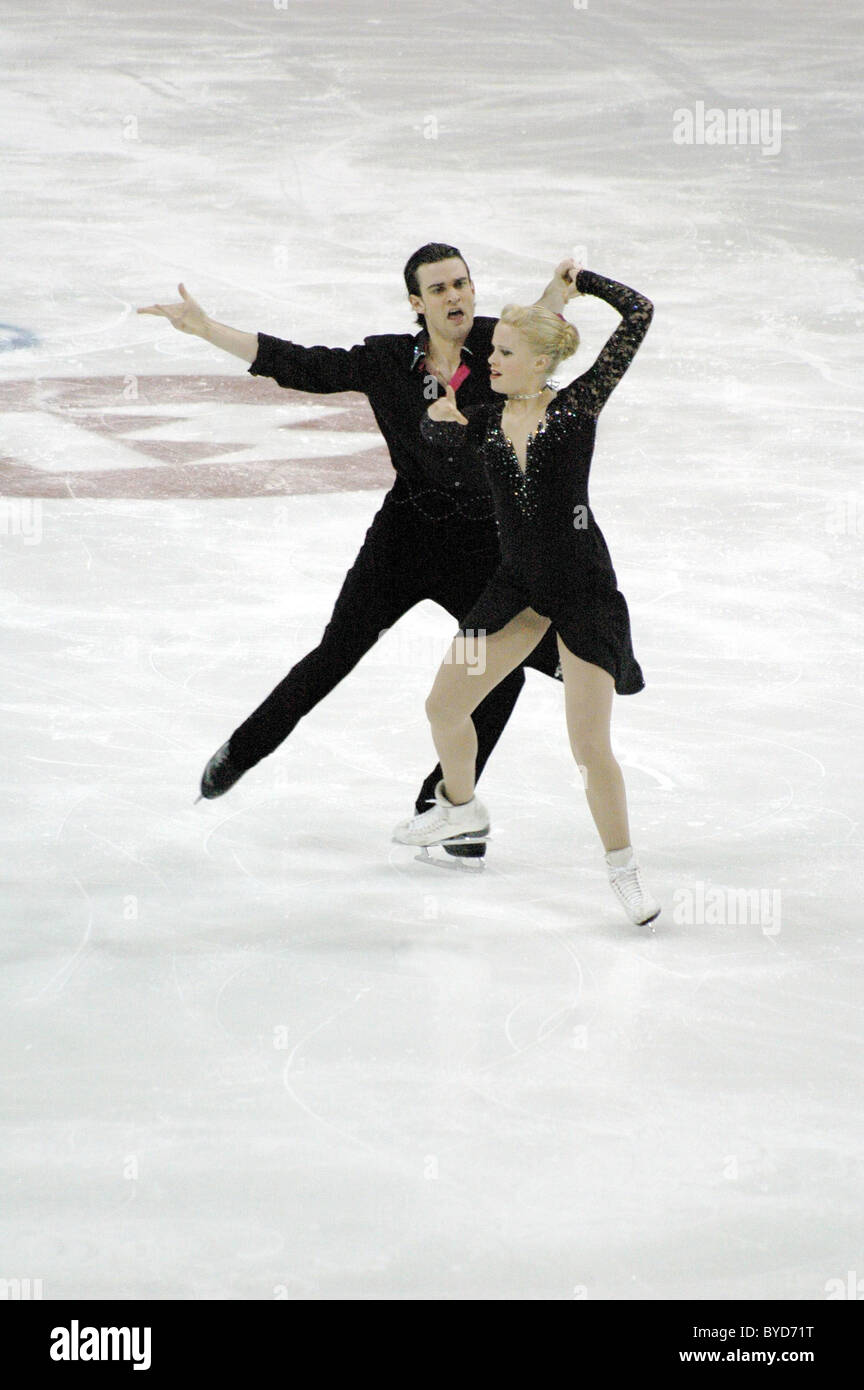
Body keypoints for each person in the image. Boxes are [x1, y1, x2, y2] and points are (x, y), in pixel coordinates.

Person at [138, 247, 576, 859]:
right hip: (405, 534)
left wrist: (556, 293)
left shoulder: (497, 349)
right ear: (416, 304)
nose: (456, 297)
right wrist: (208, 329)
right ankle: (244, 749)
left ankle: (446, 804)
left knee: (499, 675)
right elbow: (301, 366)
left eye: (462, 284)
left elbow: (534, 336)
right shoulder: (385, 360)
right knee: (337, 650)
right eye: (440, 289)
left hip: (481, 541)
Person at [392, 266, 661, 925]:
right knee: (444, 708)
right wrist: (438, 424)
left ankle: (623, 869)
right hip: (517, 592)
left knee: (588, 747)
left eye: (505, 353)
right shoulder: (487, 418)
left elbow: (639, 316)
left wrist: (586, 282)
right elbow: (441, 433)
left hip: (581, 594)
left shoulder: (577, 408)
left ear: (541, 361)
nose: (493, 359)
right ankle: (460, 808)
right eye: (493, 351)